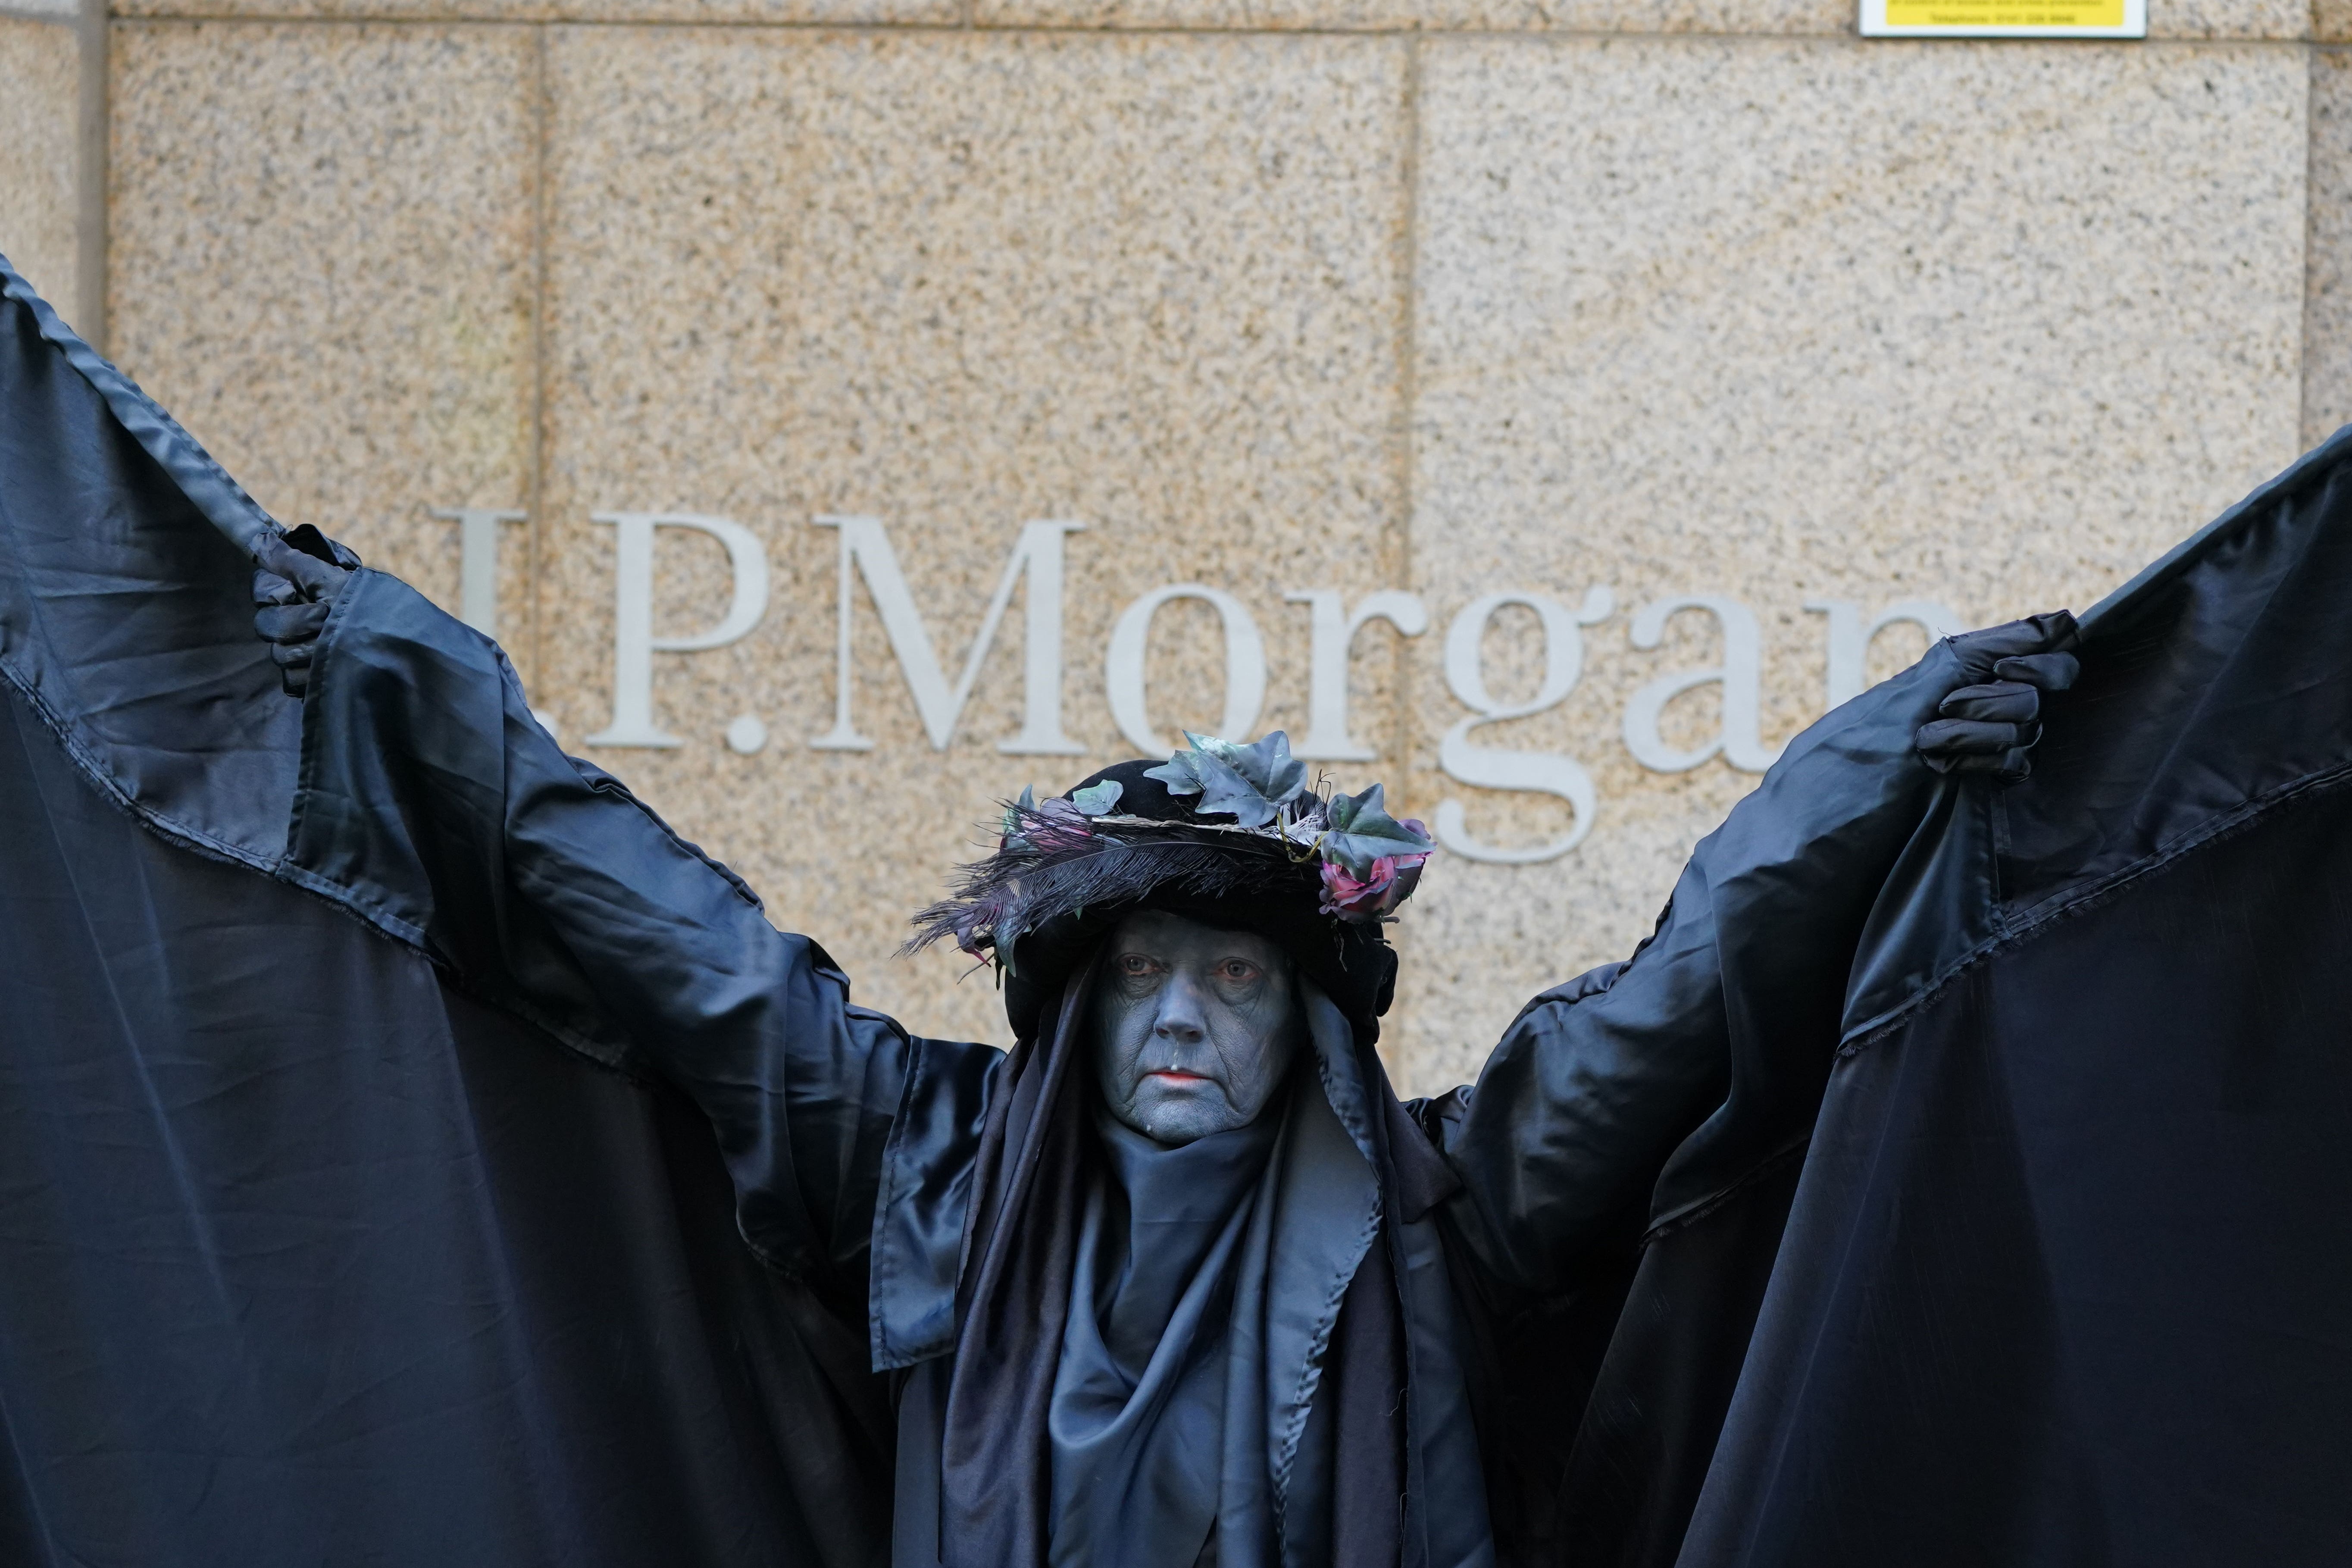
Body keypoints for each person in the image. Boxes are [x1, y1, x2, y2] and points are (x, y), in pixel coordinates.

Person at [247, 524, 2077, 1568]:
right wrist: (403, 678)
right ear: (1067, 1001)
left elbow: (1692, 985)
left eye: (1237, 973)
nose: (1186, 1013)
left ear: (1311, 1015)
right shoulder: (919, 1168)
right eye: (1137, 974)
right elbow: (651, 929)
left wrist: (1879, 764)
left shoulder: (1447, 1210)